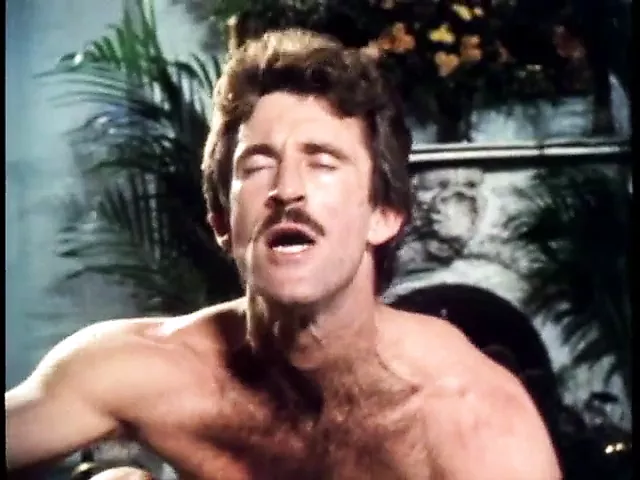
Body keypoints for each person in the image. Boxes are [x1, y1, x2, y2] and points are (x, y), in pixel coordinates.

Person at [6, 28, 561, 479]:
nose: (287, 189)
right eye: (257, 165)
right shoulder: (143, 371)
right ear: (222, 223)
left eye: (322, 162)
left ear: (383, 214)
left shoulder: (474, 424)